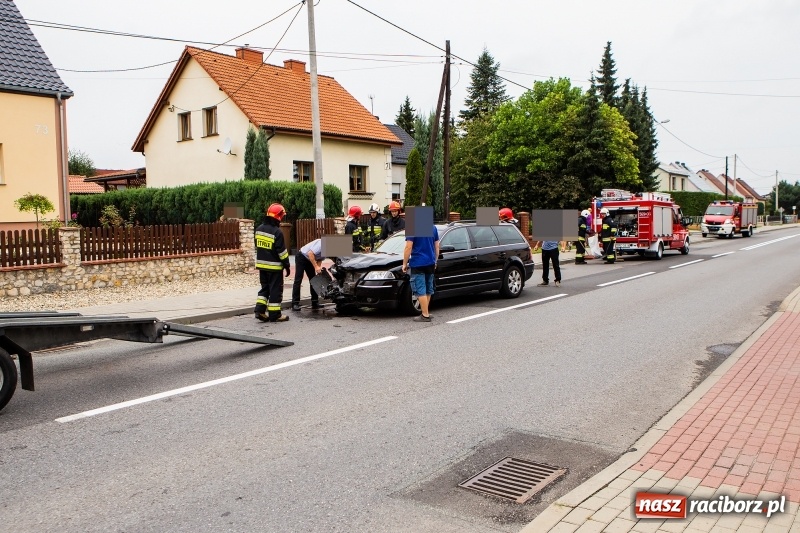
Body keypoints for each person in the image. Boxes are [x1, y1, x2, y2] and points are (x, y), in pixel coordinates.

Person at [254, 203, 291, 322]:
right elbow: (282, 252)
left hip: (261, 266)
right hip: (274, 268)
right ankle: (275, 315)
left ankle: (260, 310)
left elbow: (257, 246)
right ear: (278, 216)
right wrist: (287, 265)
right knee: (275, 290)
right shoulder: (277, 232)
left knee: (264, 288)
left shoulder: (258, 229)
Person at [401, 223, 440, 322]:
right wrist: (435, 260)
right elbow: (437, 246)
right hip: (430, 262)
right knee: (428, 288)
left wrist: (404, 263)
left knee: (420, 289)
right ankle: (425, 311)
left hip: (418, 263)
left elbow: (408, 247)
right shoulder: (433, 227)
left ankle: (425, 315)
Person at [292, 237, 325, 311]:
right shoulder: (321, 243)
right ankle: (295, 303)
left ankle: (315, 302)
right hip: (302, 257)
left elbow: (320, 258)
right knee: (298, 279)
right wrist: (316, 266)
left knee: (313, 280)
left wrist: (318, 268)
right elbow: (310, 254)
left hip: (310, 259)